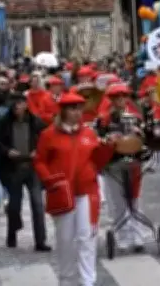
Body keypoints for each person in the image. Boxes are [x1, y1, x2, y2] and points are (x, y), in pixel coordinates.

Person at [33, 92, 117, 286]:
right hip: (62, 193)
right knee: (65, 241)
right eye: (72, 109)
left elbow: (97, 162)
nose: (77, 112)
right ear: (62, 111)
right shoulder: (48, 135)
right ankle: (67, 280)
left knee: (87, 238)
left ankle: (89, 281)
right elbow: (39, 161)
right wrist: (50, 180)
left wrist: (108, 149)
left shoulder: (88, 133)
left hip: (87, 193)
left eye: (79, 108)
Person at [0, 93, 49, 250]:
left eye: (22, 104)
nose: (19, 107)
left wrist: (38, 151)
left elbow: (47, 137)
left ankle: (40, 241)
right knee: (14, 205)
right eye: (16, 104)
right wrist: (7, 151)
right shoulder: (4, 123)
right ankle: (12, 233)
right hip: (13, 168)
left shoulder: (35, 121)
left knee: (38, 204)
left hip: (32, 167)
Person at [94, 83, 145, 251]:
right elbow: (98, 140)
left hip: (134, 163)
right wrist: (108, 140)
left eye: (123, 96)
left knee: (135, 200)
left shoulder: (136, 117)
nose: (120, 100)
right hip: (113, 163)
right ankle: (123, 237)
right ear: (111, 100)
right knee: (117, 202)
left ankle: (138, 236)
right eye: (116, 97)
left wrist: (141, 134)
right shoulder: (103, 120)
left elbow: (145, 138)